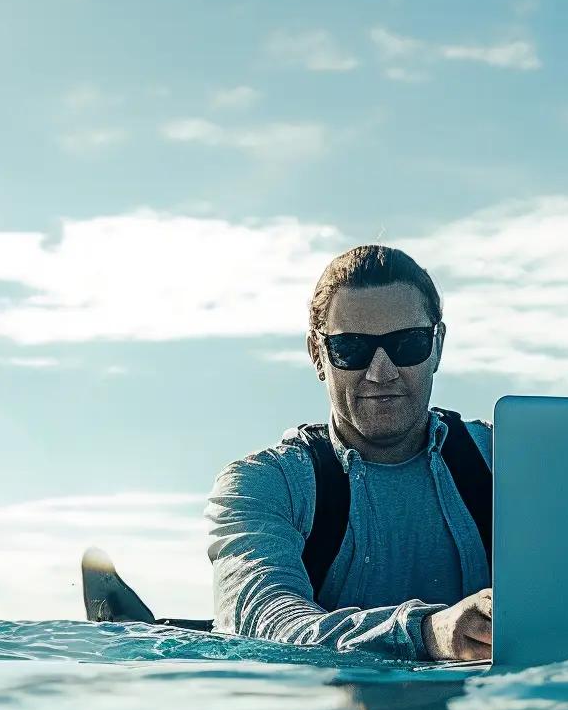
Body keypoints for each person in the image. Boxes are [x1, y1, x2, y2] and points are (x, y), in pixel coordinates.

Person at [206, 243, 494, 663]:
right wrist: (428, 634)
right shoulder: (263, 485)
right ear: (317, 356)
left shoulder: (512, 462)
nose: (381, 372)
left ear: (438, 346)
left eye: (408, 344)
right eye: (351, 349)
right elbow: (267, 624)